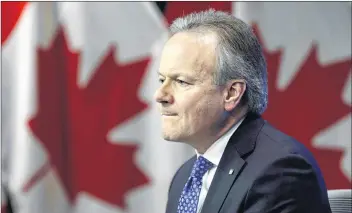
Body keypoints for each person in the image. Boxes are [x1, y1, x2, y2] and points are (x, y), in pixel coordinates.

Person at [154, 9, 332, 213]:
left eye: (181, 81)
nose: (160, 95)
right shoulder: (185, 177)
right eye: (162, 80)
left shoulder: (280, 170)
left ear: (231, 93)